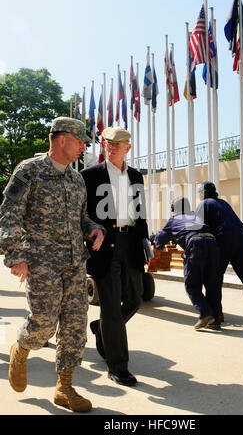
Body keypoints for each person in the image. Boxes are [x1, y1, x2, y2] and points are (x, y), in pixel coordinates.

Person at [0, 117, 106, 413]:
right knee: (43, 323)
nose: (83, 146)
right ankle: (20, 351)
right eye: (80, 141)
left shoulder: (77, 179)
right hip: (42, 261)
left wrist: (94, 228)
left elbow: (82, 217)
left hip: (74, 262)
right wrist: (16, 253)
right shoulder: (29, 170)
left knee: (74, 325)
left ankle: (65, 387)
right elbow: (9, 213)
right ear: (62, 140)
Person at [80, 126, 149, 386]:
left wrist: (146, 243)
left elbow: (140, 211)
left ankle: (103, 329)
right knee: (110, 306)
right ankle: (118, 365)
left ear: (128, 148)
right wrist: (90, 235)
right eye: (108, 142)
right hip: (103, 244)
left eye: (118, 144)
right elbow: (82, 212)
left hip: (130, 243)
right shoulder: (89, 176)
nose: (112, 146)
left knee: (134, 299)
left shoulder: (135, 175)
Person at [195, 181, 243, 327]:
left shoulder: (203, 204)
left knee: (214, 277)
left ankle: (216, 313)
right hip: (242, 238)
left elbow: (196, 228)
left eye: (199, 193)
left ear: (203, 193)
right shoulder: (223, 203)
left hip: (224, 239)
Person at [154, 197, 222, 331]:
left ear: (174, 209)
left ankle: (205, 313)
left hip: (196, 244)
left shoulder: (174, 219)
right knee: (212, 284)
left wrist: (156, 241)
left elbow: (160, 240)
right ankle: (215, 321)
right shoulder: (197, 217)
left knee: (192, 285)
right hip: (212, 244)